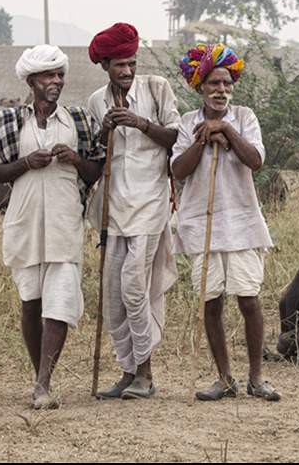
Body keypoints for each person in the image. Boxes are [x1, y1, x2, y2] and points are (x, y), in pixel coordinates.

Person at [0, 44, 101, 410]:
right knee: (31, 302)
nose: (56, 81)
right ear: (32, 80)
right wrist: (26, 163)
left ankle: (43, 383)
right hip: (25, 221)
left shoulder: (77, 121)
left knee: (61, 301)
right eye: (49, 75)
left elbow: (97, 170)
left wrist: (75, 159)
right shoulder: (11, 123)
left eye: (60, 75)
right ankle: (40, 378)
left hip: (65, 220)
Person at [173, 43, 279, 402]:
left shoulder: (245, 118)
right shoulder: (188, 123)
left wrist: (227, 132)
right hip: (201, 224)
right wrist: (203, 139)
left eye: (227, 84)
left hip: (242, 222)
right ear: (200, 86)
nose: (221, 90)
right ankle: (224, 378)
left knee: (249, 299)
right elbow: (178, 170)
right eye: (213, 84)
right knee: (211, 302)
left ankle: (256, 378)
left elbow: (255, 160)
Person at [86, 22, 180, 400]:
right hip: (113, 206)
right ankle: (126, 371)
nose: (126, 71)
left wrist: (140, 123)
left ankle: (146, 373)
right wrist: (105, 130)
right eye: (119, 65)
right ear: (105, 65)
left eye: (131, 63)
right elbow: (96, 154)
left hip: (150, 203)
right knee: (112, 293)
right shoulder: (96, 101)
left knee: (135, 288)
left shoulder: (157, 88)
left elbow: (175, 137)